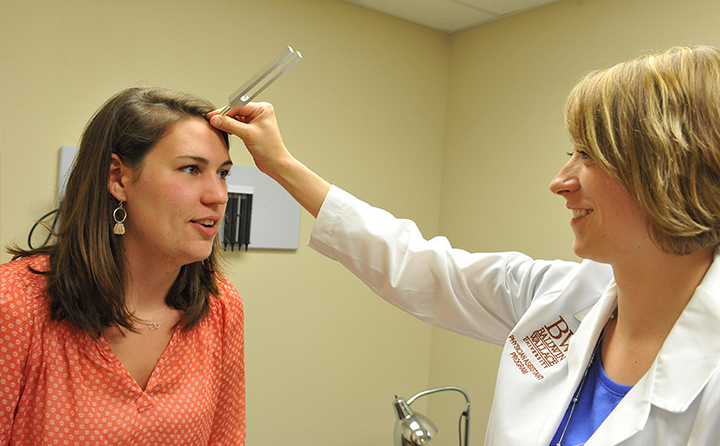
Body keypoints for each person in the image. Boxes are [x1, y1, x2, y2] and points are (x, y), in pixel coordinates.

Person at [209, 45, 720, 445]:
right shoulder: (561, 296)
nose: (560, 182)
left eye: (587, 155)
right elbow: (421, 265)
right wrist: (281, 167)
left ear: (668, 170)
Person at [0, 88, 245, 445]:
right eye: (191, 169)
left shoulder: (220, 307)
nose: (218, 195)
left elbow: (227, 439)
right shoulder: (15, 304)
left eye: (222, 173)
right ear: (118, 178)